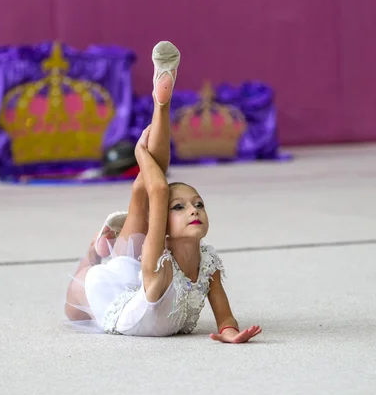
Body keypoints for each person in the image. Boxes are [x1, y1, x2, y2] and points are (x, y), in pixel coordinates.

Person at [64, 41, 262, 343]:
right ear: (165, 229)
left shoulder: (207, 262)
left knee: (143, 189)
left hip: (134, 287)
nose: (194, 209)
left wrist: (231, 332)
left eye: (198, 204)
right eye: (180, 208)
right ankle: (93, 252)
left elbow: (224, 314)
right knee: (73, 310)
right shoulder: (160, 261)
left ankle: (161, 102)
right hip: (116, 303)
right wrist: (140, 152)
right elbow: (157, 189)